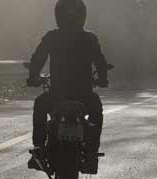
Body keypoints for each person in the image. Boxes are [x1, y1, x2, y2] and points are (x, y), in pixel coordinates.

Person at [27, 0, 111, 170]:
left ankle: (39, 148)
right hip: (84, 95)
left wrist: (33, 78)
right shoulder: (90, 38)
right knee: (96, 111)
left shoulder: (52, 36)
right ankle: (92, 152)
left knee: (40, 105)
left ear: (58, 15)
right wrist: (102, 79)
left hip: (57, 94)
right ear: (83, 16)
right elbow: (100, 62)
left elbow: (37, 60)